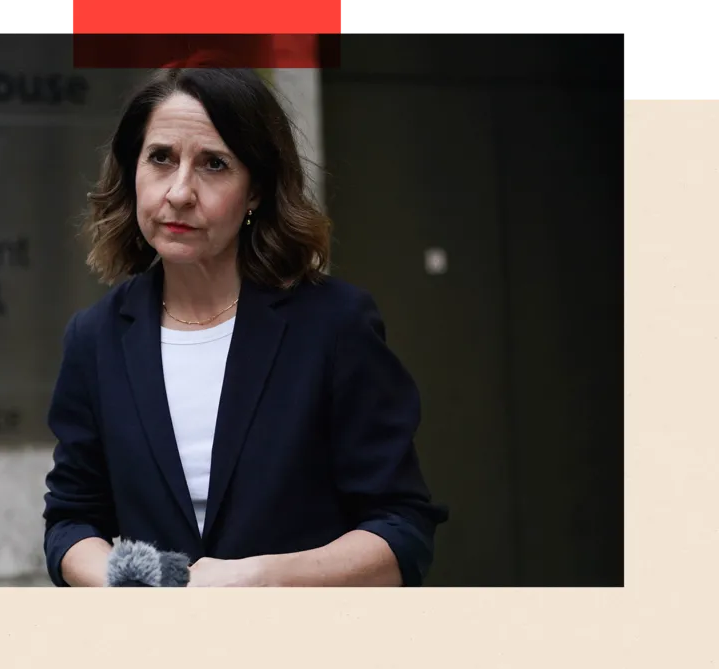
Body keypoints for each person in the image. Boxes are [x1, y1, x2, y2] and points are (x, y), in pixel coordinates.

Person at [42, 65, 448, 587]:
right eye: (161, 158)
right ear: (132, 170)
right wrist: (128, 584)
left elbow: (401, 527)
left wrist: (264, 578)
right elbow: (72, 518)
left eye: (214, 164)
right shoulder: (95, 337)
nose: (180, 192)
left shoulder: (334, 325)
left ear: (255, 190)